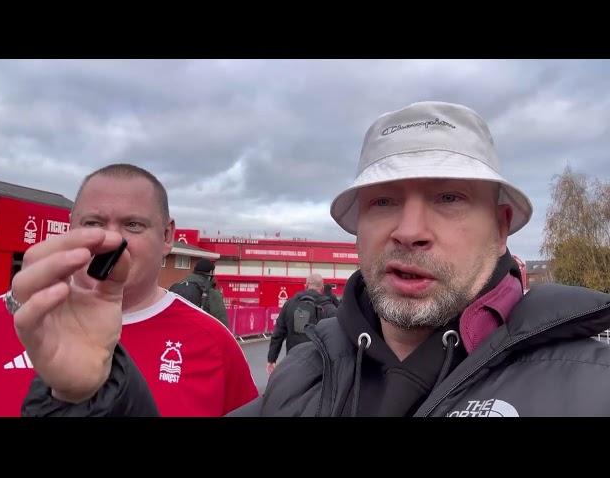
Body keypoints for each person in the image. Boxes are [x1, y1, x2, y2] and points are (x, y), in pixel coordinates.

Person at [231, 101, 610, 416]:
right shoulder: (301, 376)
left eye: (449, 198)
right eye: (383, 201)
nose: (410, 232)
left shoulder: (591, 386)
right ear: (358, 230)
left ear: (500, 229)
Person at [0, 163, 257, 416]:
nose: (111, 240)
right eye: (93, 224)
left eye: (133, 225)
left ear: (167, 236)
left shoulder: (216, 344)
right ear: (71, 225)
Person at [266, 273, 338, 375]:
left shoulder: (289, 304)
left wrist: (271, 359)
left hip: (293, 362)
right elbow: (337, 337)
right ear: (322, 288)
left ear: (306, 285)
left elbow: (278, 334)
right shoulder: (329, 309)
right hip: (320, 367)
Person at [169, 258, 229, 328]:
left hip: (174, 332)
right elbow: (221, 320)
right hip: (197, 333)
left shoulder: (178, 286)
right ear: (210, 272)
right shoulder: (210, 292)